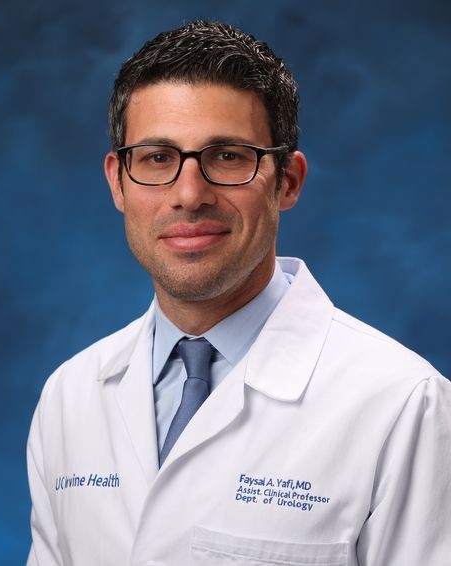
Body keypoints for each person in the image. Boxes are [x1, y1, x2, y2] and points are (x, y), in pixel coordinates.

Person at [26, 20, 451, 566]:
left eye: (227, 156)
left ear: (287, 181)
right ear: (118, 182)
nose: (189, 194)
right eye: (157, 157)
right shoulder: (69, 397)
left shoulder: (404, 405)